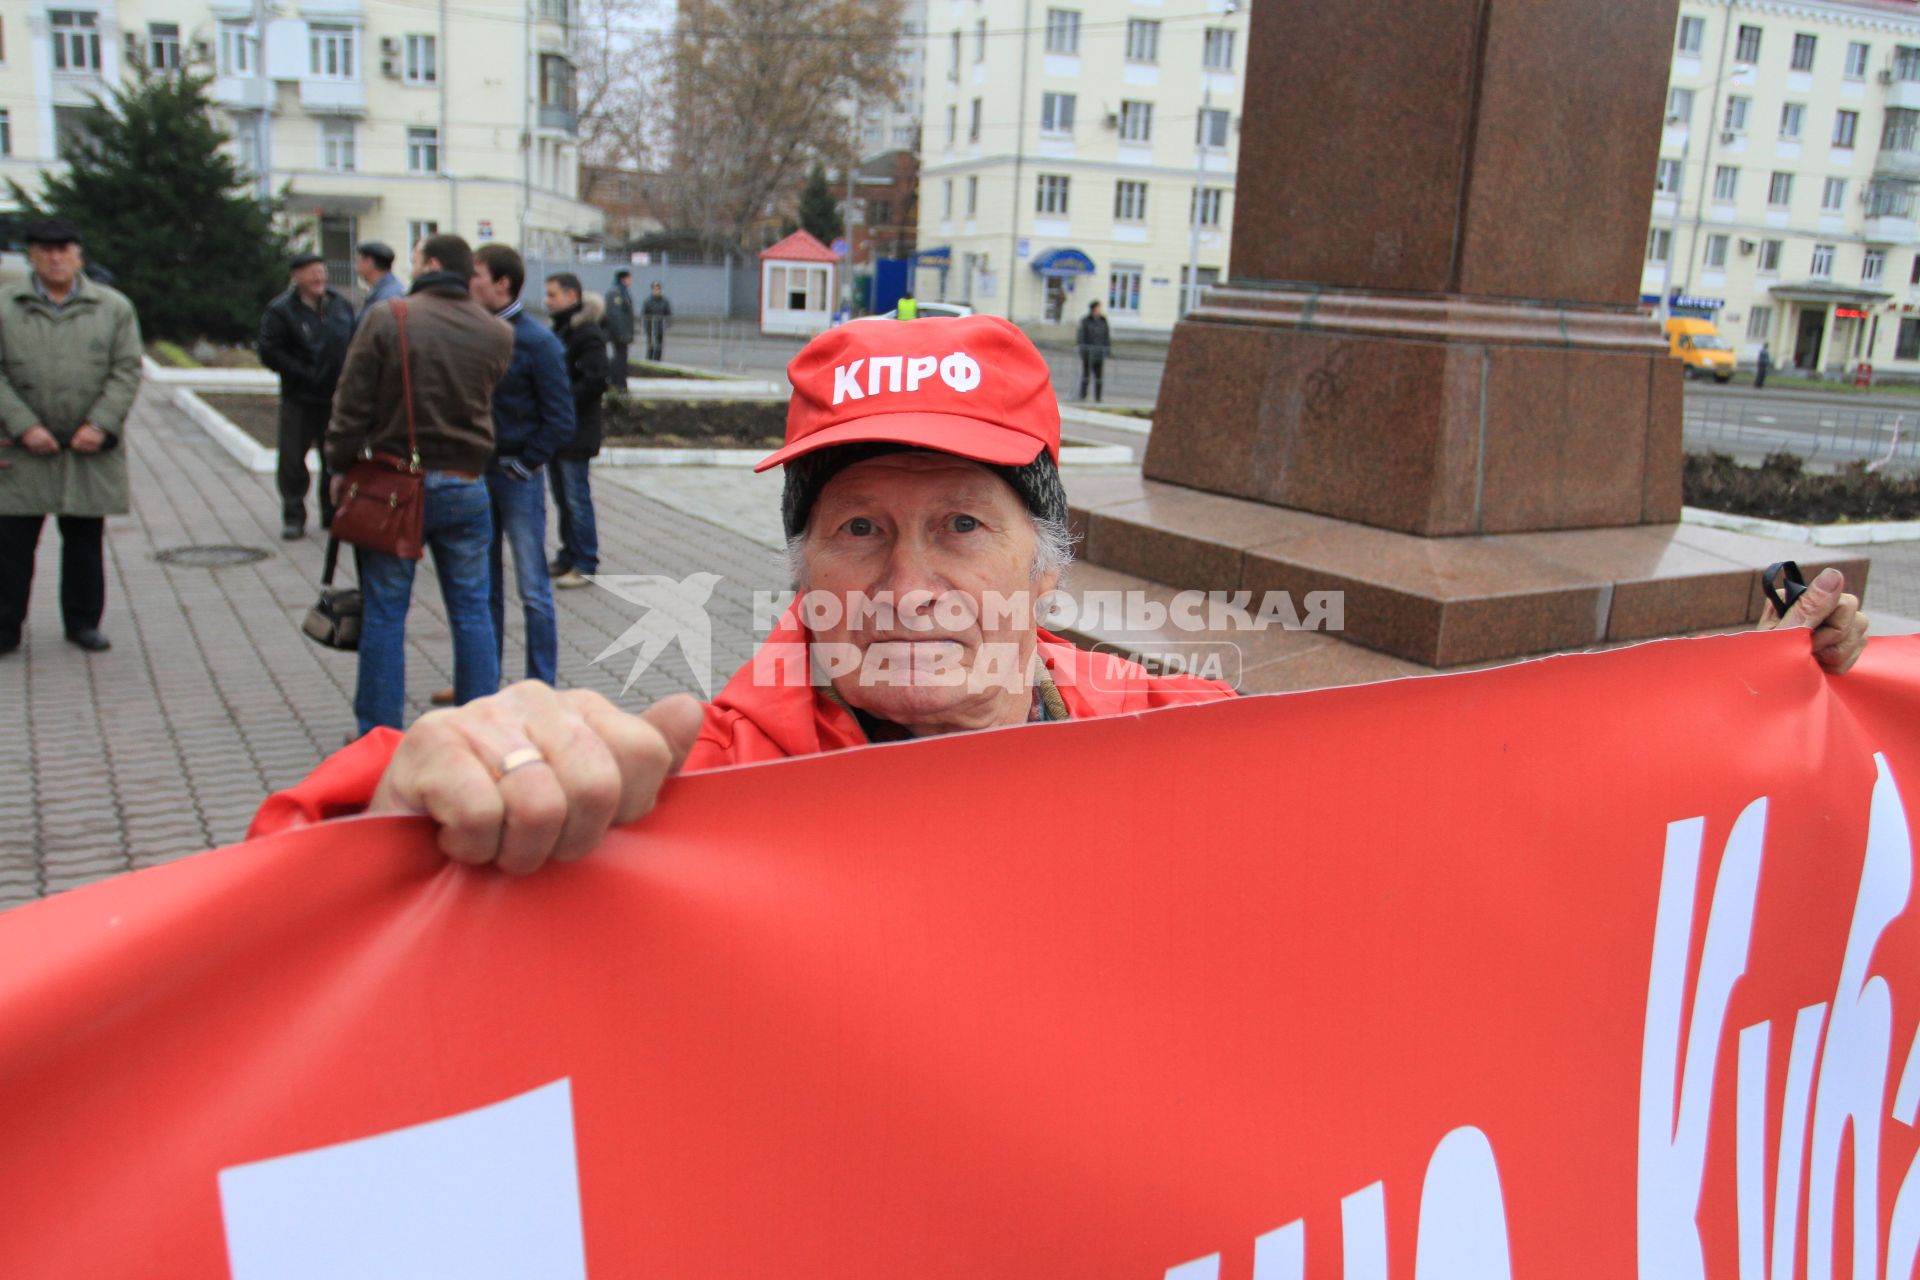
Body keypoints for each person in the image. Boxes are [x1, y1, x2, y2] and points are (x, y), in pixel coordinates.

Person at [252, 316, 1875, 873]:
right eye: (857, 531)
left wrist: (1735, 705)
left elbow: (1460, 809)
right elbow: (298, 923)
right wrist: (403, 792)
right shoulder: (694, 780)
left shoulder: (1165, 738)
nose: (910, 584)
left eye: (962, 527)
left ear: (1049, 560)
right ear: (801, 566)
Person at [325, 234, 513, 736]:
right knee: (473, 611)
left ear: (430, 264)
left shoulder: (390, 316)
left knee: (386, 614)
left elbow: (351, 404)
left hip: (394, 487)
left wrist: (337, 466)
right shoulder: (496, 333)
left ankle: (379, 737)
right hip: (467, 485)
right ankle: (478, 731)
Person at [0, 218, 142, 656]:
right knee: (11, 545)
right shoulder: (5, 306)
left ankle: (83, 622)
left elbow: (126, 369)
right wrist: (25, 427)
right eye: (45, 250)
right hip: (23, 448)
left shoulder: (113, 307)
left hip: (88, 447)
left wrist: (99, 424)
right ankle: (5, 627)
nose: (56, 258)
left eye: (64, 249)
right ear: (32, 257)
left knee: (84, 539)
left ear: (79, 255)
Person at [458, 243, 574, 701]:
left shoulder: (538, 340)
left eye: (477, 276)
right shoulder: (472, 333)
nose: (470, 284)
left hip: (517, 480)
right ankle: (482, 686)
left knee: (532, 590)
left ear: (502, 283)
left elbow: (561, 417)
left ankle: (539, 688)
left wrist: (525, 463)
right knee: (482, 589)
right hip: (474, 478)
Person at [258, 252, 356, 540]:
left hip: (335, 398)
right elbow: (269, 351)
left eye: (322, 271)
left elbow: (354, 341)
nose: (319, 277)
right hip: (299, 397)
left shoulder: (341, 305)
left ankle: (332, 513)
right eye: (312, 272)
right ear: (296, 276)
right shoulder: (281, 310)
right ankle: (293, 515)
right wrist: (302, 372)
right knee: (292, 460)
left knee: (334, 458)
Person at [545, 272, 609, 590]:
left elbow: (596, 381)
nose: (547, 300)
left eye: (553, 294)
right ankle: (569, 554)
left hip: (577, 431)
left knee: (576, 498)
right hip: (558, 431)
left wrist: (560, 400)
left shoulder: (587, 334)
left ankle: (585, 563)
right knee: (562, 498)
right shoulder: (562, 329)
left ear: (572, 296)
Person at [604, 269, 636, 391]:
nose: (631, 281)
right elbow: (616, 315)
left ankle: (618, 381)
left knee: (621, 357)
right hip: (618, 334)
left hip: (623, 333)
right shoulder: (615, 293)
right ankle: (618, 382)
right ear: (623, 279)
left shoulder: (623, 292)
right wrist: (622, 333)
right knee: (619, 358)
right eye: (629, 278)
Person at [355, 242, 405, 314]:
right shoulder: (384, 290)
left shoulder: (388, 297)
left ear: (369, 262)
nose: (356, 268)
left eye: (358, 261)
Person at [1077, 300, 1111, 403]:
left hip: (1099, 354)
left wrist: (1107, 349)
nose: (1099, 310)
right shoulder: (1086, 321)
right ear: (1093, 309)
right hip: (1088, 353)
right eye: (1097, 308)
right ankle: (1082, 396)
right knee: (1086, 376)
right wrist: (1083, 350)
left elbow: (1106, 336)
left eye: (1100, 308)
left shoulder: (1103, 320)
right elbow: (1081, 336)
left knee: (1099, 378)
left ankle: (1098, 397)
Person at [641, 281, 671, 362]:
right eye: (654, 289)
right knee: (650, 346)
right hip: (650, 328)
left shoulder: (664, 302)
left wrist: (665, 326)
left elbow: (668, 314)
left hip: (660, 328)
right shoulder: (648, 301)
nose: (656, 291)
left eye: (658, 289)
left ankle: (657, 362)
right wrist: (646, 327)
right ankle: (648, 362)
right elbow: (644, 314)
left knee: (659, 347)